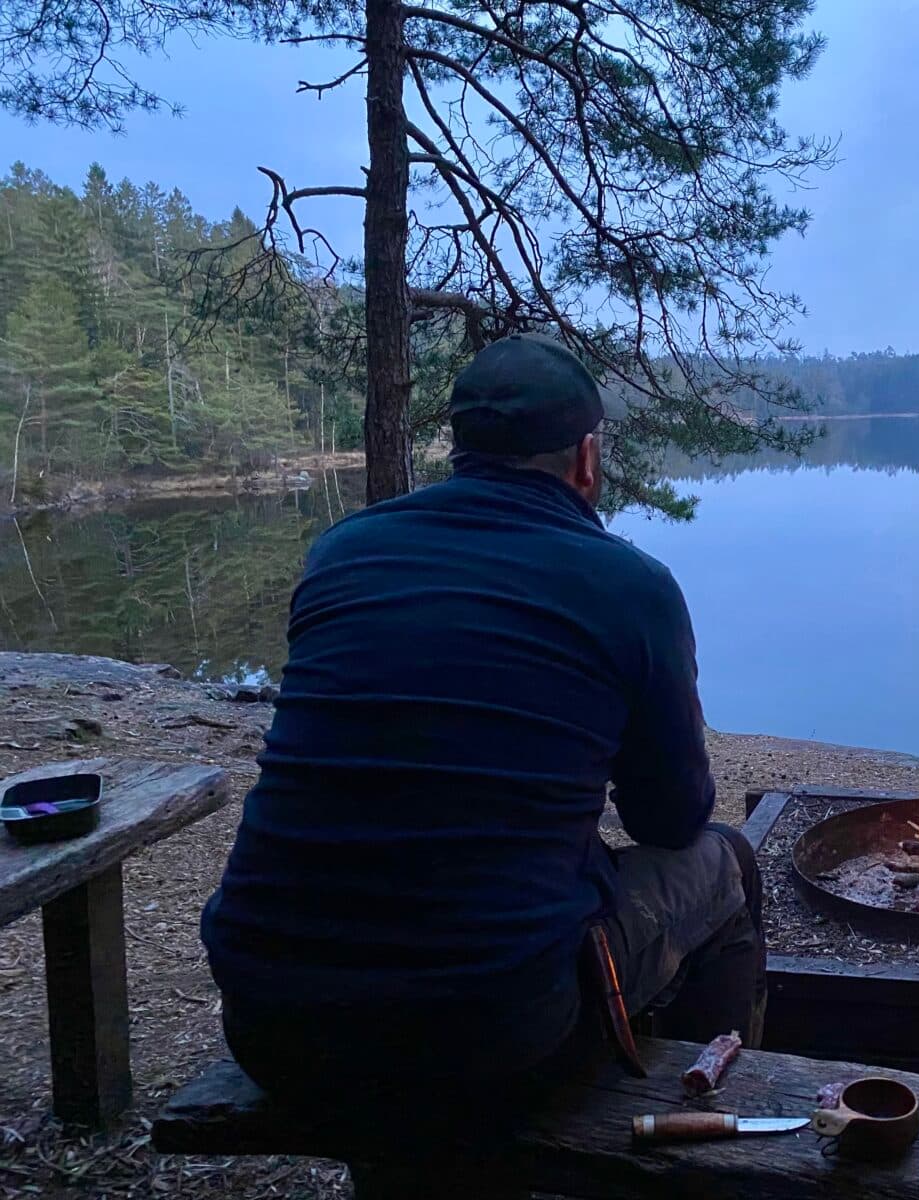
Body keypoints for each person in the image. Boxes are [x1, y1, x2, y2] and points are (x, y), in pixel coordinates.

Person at [201, 333, 764, 1115]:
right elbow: (670, 820)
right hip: (492, 1035)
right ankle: (711, 1114)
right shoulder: (629, 586)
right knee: (726, 862)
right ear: (587, 458)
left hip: (270, 1022)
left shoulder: (342, 553)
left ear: (458, 449)